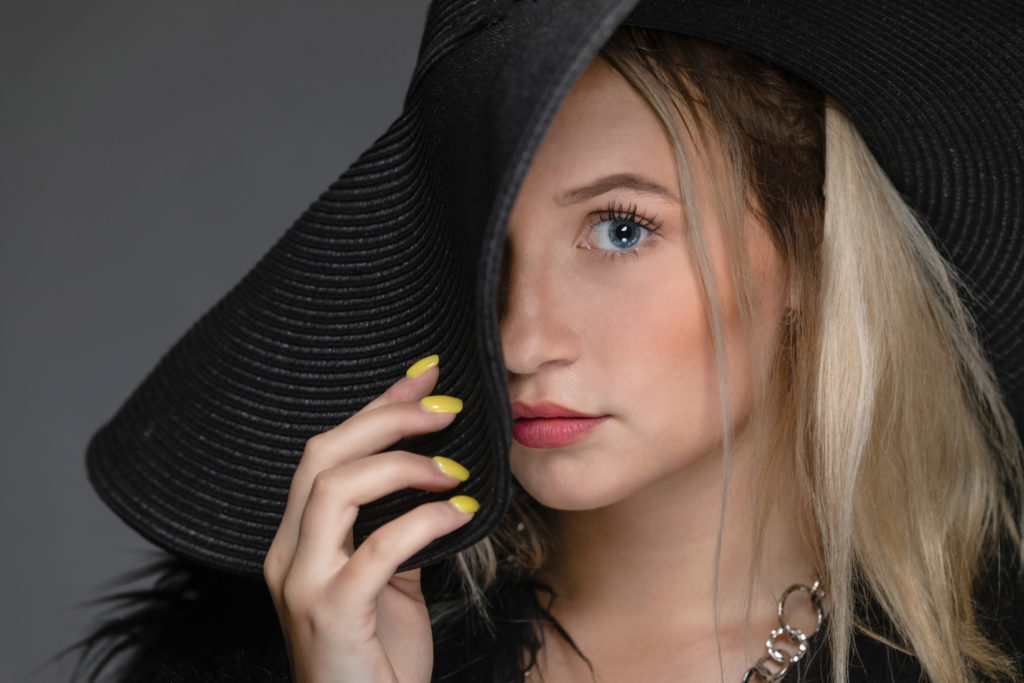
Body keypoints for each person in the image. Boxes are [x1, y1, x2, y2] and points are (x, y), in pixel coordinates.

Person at [70, 4, 1024, 683]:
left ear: (812, 249)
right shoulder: (313, 646)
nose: (521, 338)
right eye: (489, 247)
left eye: (620, 228)